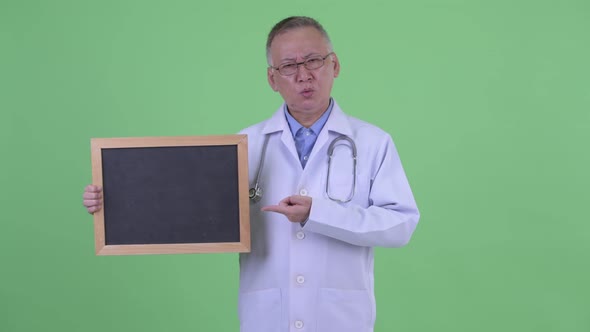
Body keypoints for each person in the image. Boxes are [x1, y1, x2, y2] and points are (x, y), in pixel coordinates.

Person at [83, 16, 420, 332]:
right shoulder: (246, 144)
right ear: (272, 79)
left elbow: (401, 225)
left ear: (335, 65)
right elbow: (188, 207)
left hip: (340, 316)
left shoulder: (373, 142)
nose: (304, 75)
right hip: (266, 315)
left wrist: (318, 213)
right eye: (289, 66)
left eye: (314, 60)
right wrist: (114, 201)